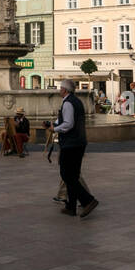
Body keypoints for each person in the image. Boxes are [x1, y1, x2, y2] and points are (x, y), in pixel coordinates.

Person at [52, 80, 97, 217]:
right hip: (79, 142)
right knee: (74, 175)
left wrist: (54, 129)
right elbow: (69, 120)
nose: (59, 90)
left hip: (71, 144)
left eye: (60, 88)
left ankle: (88, 201)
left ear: (65, 90)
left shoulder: (68, 103)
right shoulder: (76, 101)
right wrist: (55, 123)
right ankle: (71, 207)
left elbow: (68, 124)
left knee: (67, 174)